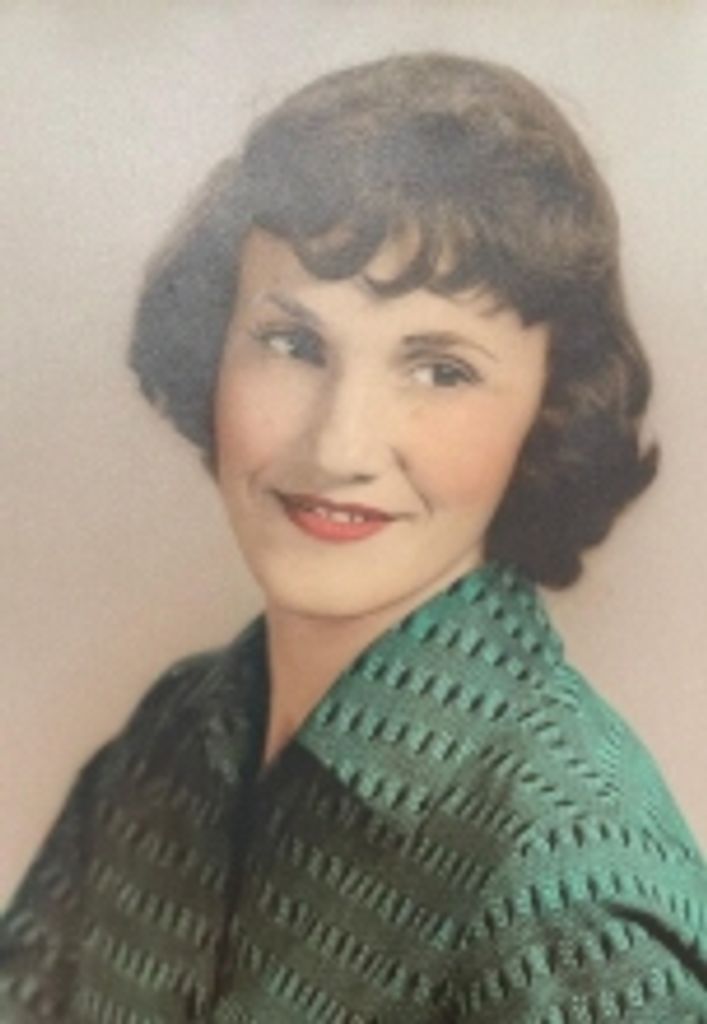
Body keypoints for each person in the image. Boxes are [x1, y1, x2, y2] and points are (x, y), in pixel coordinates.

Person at [1, 52, 706, 1023]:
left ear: (548, 411)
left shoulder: (567, 896)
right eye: (292, 344)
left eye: (440, 369)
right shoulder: (170, 740)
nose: (337, 446)